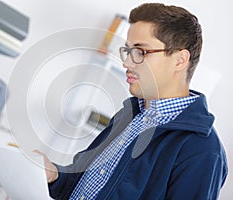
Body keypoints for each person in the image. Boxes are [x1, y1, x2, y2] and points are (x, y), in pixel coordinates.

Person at [39, 3, 228, 199]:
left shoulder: (202, 151)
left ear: (180, 60)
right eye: (128, 51)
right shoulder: (128, 115)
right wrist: (54, 176)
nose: (127, 63)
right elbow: (82, 185)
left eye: (141, 52)